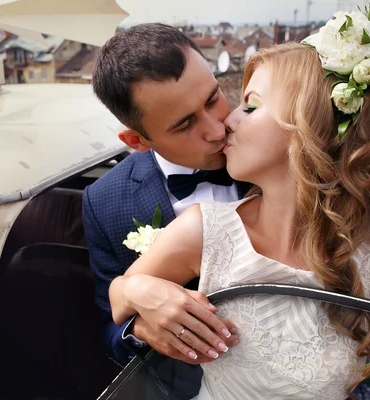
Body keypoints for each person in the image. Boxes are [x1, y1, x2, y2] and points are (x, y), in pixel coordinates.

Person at [108, 17, 370, 400]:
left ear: (312, 129)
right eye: (187, 122)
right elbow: (116, 298)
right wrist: (137, 288)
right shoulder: (202, 229)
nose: (225, 124)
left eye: (249, 106)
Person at [83, 23, 245, 368]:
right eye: (185, 125)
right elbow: (109, 332)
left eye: (213, 98)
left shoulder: (276, 148)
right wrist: (142, 330)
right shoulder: (104, 202)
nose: (218, 130)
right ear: (137, 142)